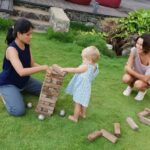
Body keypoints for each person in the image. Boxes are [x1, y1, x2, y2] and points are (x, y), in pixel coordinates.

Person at [0, 18, 50, 116]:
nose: (31, 37)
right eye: (28, 34)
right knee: (18, 111)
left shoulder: (27, 45)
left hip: (25, 81)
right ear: (19, 34)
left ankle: (20, 91)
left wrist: (47, 70)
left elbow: (32, 64)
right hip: (9, 83)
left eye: (31, 34)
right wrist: (43, 67)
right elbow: (21, 71)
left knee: (48, 92)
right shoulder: (11, 50)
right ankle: (3, 94)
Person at [61, 46, 100, 122]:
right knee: (83, 100)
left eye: (83, 58)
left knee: (77, 102)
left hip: (81, 87)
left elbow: (75, 70)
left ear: (89, 60)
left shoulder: (86, 66)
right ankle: (83, 114)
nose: (82, 60)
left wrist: (64, 69)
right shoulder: (95, 66)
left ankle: (75, 118)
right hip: (86, 87)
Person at [122, 33, 150, 101]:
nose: (138, 46)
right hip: (138, 76)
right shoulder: (134, 50)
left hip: (146, 81)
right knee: (126, 78)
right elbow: (127, 69)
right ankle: (130, 86)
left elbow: (146, 79)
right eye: (137, 43)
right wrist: (129, 70)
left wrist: (130, 71)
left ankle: (142, 91)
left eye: (141, 45)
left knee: (138, 84)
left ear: (147, 46)